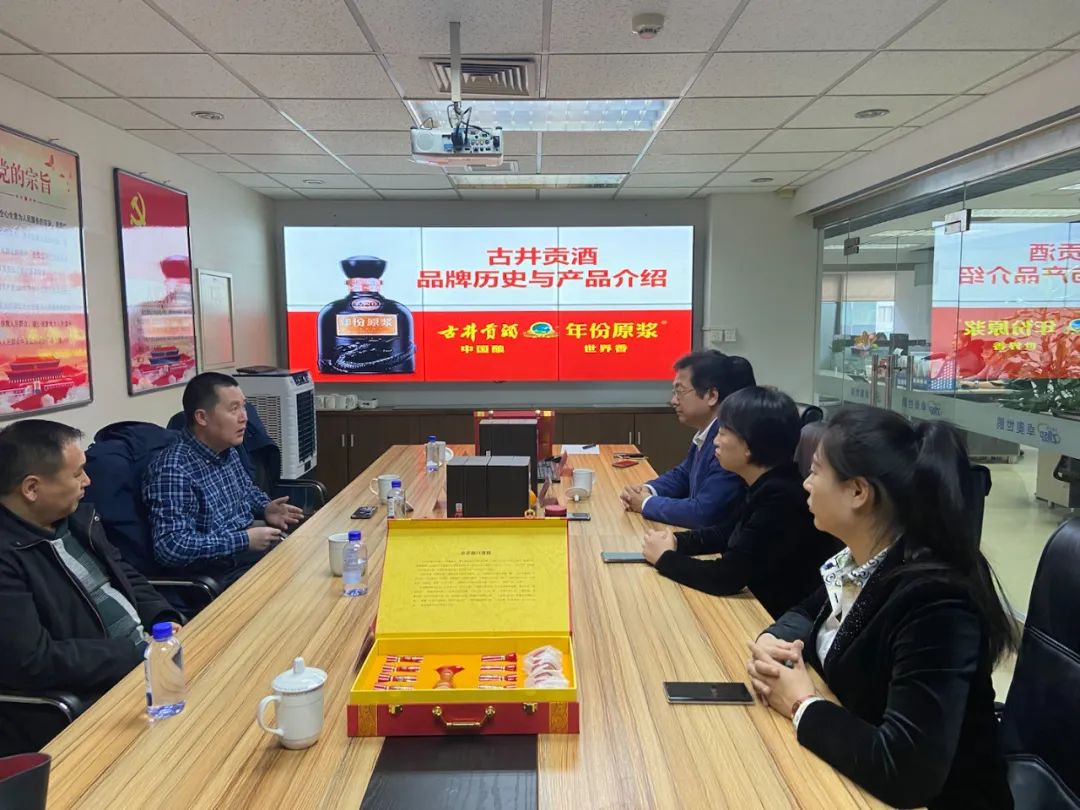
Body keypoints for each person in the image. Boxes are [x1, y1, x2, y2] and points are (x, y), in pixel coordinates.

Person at [745, 406, 1015, 809]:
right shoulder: (860, 561)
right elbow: (806, 611)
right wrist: (773, 640)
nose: (806, 483)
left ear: (858, 492)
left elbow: (906, 770)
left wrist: (802, 705)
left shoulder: (937, 600)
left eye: (815, 471)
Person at [0, 420, 183, 755]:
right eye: (77, 474)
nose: (88, 481)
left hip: (144, 662)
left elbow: (125, 574)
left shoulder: (75, 519)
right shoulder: (7, 558)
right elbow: (33, 661)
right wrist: (134, 653)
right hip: (94, 696)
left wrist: (162, 616)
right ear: (32, 488)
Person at [641, 387, 839, 618]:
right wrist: (675, 541)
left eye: (723, 433)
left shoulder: (782, 499)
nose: (715, 441)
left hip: (770, 619)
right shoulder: (766, 483)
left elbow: (726, 577)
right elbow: (725, 532)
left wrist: (665, 559)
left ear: (749, 446)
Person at [143, 372, 302, 586]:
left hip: (248, 551)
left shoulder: (226, 450)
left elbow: (246, 490)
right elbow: (171, 546)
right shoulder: (173, 469)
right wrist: (243, 540)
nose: (244, 417)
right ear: (202, 417)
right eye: (234, 409)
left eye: (244, 407)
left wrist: (265, 507)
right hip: (220, 571)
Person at [621, 351, 755, 529]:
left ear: (712, 396)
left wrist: (645, 503)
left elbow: (704, 512)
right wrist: (648, 489)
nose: (673, 401)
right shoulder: (708, 431)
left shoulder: (729, 442)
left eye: (680, 391)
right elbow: (684, 475)